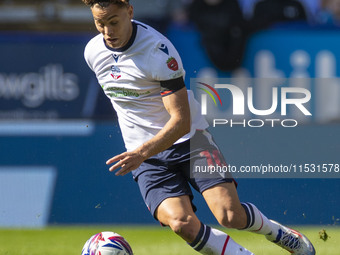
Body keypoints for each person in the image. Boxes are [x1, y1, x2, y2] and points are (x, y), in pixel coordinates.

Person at [81, 0, 316, 254]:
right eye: (100, 23)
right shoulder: (93, 52)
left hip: (189, 140)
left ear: (129, 12)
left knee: (229, 215)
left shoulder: (158, 52)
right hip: (146, 157)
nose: (107, 31)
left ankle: (279, 234)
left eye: (113, 22)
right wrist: (141, 152)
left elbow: (180, 122)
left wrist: (141, 153)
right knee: (182, 224)